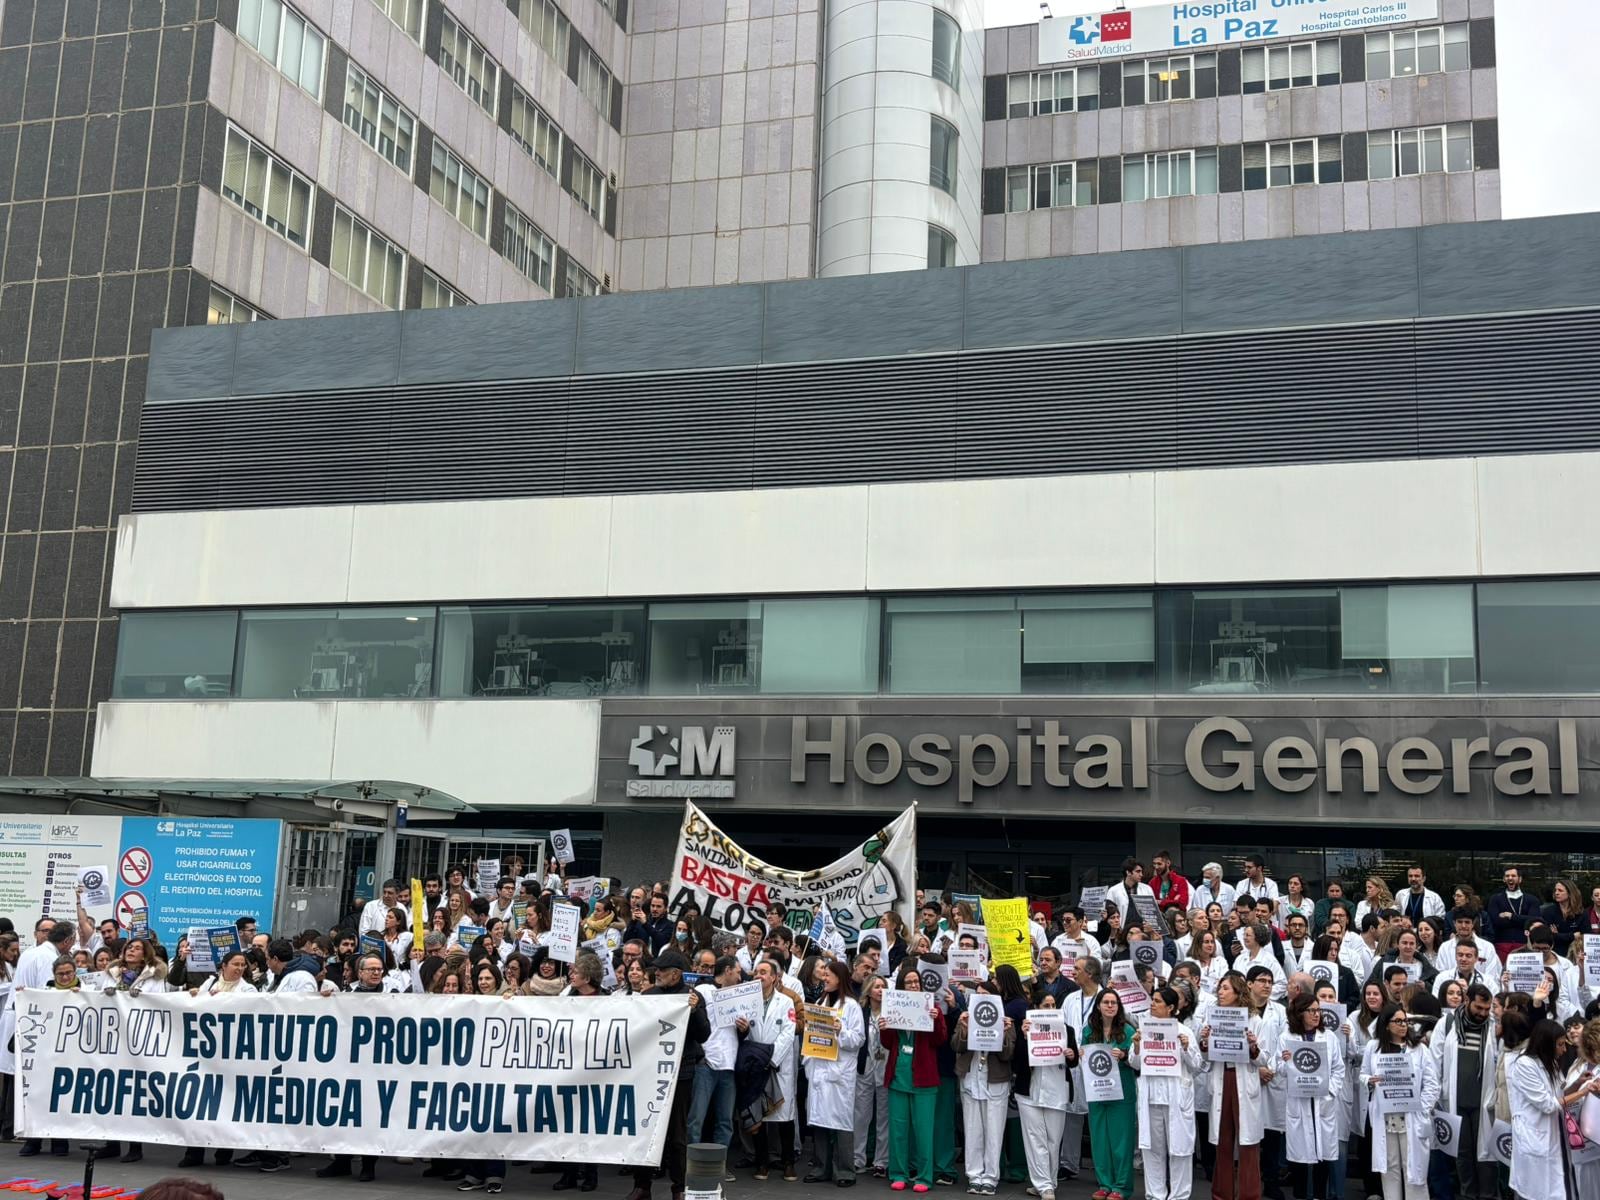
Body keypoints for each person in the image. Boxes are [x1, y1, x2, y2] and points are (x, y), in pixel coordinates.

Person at [626, 948, 710, 1200]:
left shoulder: (692, 997)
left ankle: (679, 1187)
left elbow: (704, 1034)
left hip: (680, 1072)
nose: (657, 974)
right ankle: (642, 1185)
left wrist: (694, 1012)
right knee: (645, 1129)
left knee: (677, 1134)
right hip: (650, 1071)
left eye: (661, 971)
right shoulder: (650, 995)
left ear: (675, 974)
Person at [879, 962, 947, 1193]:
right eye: (909, 982)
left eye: (916, 982)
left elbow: (940, 1040)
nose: (914, 985)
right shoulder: (893, 1006)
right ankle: (898, 1173)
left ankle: (924, 1176)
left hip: (924, 1078)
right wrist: (884, 1027)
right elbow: (887, 1043)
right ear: (901, 985)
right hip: (899, 1075)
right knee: (898, 1129)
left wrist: (936, 1019)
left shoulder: (932, 1007)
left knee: (923, 1130)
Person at [1360, 1002, 1440, 1200]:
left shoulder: (1419, 1049)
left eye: (1405, 1021)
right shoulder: (1374, 1047)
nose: (1403, 1025)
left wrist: (1421, 1107)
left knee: (1414, 1171)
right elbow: (1363, 1073)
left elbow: (1432, 1084)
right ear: (1386, 1024)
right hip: (1386, 1117)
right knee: (1390, 1168)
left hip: (1411, 1116)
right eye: (1398, 1021)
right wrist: (1369, 1080)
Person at [1131, 984, 1202, 1200]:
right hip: (1152, 1097)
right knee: (1152, 1151)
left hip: (1177, 1098)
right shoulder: (1144, 1030)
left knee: (1179, 1151)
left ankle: (1179, 1196)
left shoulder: (1184, 1032)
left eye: (1157, 1001)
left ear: (1171, 1007)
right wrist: (1135, 1047)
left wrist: (1187, 1047)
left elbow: (1197, 1066)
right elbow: (1135, 1064)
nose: (1152, 1005)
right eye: (1153, 1001)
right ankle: (1155, 1195)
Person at [1200, 971, 1266, 1200]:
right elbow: (1205, 1059)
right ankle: (1221, 1195)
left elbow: (1264, 1059)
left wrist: (1253, 1046)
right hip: (1222, 1080)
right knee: (1223, 1143)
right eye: (1219, 988)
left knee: (1248, 1147)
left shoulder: (1254, 1021)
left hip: (1244, 1083)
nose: (1220, 992)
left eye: (1225, 988)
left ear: (1238, 993)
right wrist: (1205, 1042)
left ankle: (1249, 1195)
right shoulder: (1212, 1019)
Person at [1430, 983, 1498, 1200]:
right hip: (1455, 1099)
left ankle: (1487, 1195)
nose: (1483, 1013)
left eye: (1487, 1009)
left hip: (1483, 1101)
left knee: (1486, 1152)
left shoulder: (1494, 1026)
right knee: (1462, 1153)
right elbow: (1435, 1060)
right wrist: (1435, 1095)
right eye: (1479, 1007)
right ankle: (1468, 1194)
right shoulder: (1448, 1023)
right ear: (1467, 1000)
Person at [804, 958, 865, 1187]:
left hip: (840, 1072)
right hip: (820, 1069)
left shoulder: (851, 1006)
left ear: (839, 978)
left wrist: (842, 1030)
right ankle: (821, 1168)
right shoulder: (820, 1001)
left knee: (840, 1122)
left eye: (828, 975)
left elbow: (858, 1039)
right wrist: (809, 1064)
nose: (824, 978)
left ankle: (845, 1171)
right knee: (819, 1120)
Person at [951, 979, 1015, 1197]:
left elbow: (1008, 1055)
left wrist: (1004, 1032)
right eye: (977, 993)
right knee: (973, 1130)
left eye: (986, 993)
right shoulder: (967, 1018)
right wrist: (965, 1028)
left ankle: (990, 1177)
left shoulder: (1006, 1021)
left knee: (994, 1132)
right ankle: (974, 1175)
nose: (981, 996)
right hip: (971, 1079)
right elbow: (956, 1046)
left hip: (995, 1080)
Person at [1281, 992, 1342, 1200]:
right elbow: (1276, 1068)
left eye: (1318, 1010)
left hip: (1322, 1102)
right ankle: (1300, 1196)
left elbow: (1338, 1069)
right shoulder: (1287, 1037)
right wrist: (1285, 1060)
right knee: (1299, 1155)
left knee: (1323, 1155)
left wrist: (1329, 1091)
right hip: (1299, 1103)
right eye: (1311, 1011)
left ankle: (1319, 1196)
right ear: (1299, 1013)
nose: (1316, 1015)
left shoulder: (1329, 1037)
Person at [1081, 987, 1137, 1200]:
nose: (1110, 1006)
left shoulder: (1128, 1032)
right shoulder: (1089, 1031)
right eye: (1106, 1002)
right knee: (1099, 1139)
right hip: (1097, 1091)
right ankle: (1104, 1183)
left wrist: (1123, 1055)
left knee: (1121, 1140)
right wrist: (1080, 1054)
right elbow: (1084, 1058)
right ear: (1098, 1006)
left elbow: (1136, 1062)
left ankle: (1121, 1187)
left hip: (1121, 1092)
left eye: (1114, 1003)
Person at [1507, 1019, 1568, 1200]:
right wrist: (1583, 1092)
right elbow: (1548, 1104)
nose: (1564, 1050)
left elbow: (1561, 1095)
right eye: (1560, 1045)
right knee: (1532, 1191)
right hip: (1533, 1135)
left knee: (1551, 1189)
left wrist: (1580, 1084)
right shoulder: (1524, 1065)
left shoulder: (1552, 1063)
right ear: (1546, 1044)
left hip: (1551, 1135)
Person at [749, 960, 797, 1182]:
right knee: (758, 1114)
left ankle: (788, 1162)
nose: (759, 976)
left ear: (775, 977)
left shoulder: (786, 1002)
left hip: (778, 1065)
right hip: (755, 1065)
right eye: (757, 972)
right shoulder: (748, 1001)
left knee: (784, 1115)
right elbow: (746, 1033)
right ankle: (762, 1162)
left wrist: (771, 1059)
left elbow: (788, 1034)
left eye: (764, 973)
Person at [853, 975, 891, 1179]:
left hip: (885, 1065)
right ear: (868, 990)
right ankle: (857, 1158)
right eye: (876, 987)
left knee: (884, 1117)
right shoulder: (861, 1012)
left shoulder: (892, 1012)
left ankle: (881, 1161)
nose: (880, 990)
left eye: (883, 987)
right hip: (865, 1065)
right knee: (861, 1114)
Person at [1487, 868, 1541, 962]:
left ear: (1520, 879)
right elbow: (1496, 922)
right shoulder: (1495, 899)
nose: (1510, 878)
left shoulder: (1532, 899)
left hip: (1525, 944)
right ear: (1504, 879)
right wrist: (1523, 922)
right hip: (1502, 944)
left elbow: (1534, 921)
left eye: (1513, 876)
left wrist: (1511, 916)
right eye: (1507, 876)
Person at [1541, 878, 1585, 956]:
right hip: (1554, 954)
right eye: (1555, 890)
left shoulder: (1581, 913)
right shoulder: (1548, 912)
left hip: (1576, 954)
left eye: (1560, 890)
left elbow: (1585, 936)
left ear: (1570, 893)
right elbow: (1548, 936)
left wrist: (1558, 935)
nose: (1556, 893)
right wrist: (1572, 936)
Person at [1107, 857, 1155, 924]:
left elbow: (1153, 913)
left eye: (1141, 871)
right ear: (1128, 872)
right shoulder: (1113, 890)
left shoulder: (1147, 889)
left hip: (1142, 930)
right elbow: (1109, 914)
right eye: (1138, 871)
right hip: (1122, 929)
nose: (1141, 874)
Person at [1151, 850, 1191, 915]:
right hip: (1160, 919)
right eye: (1154, 864)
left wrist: (1161, 902)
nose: (1156, 867)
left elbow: (1183, 903)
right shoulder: (1152, 882)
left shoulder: (1180, 880)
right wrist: (1174, 902)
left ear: (1168, 863)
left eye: (1159, 864)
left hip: (1177, 920)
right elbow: (1152, 904)